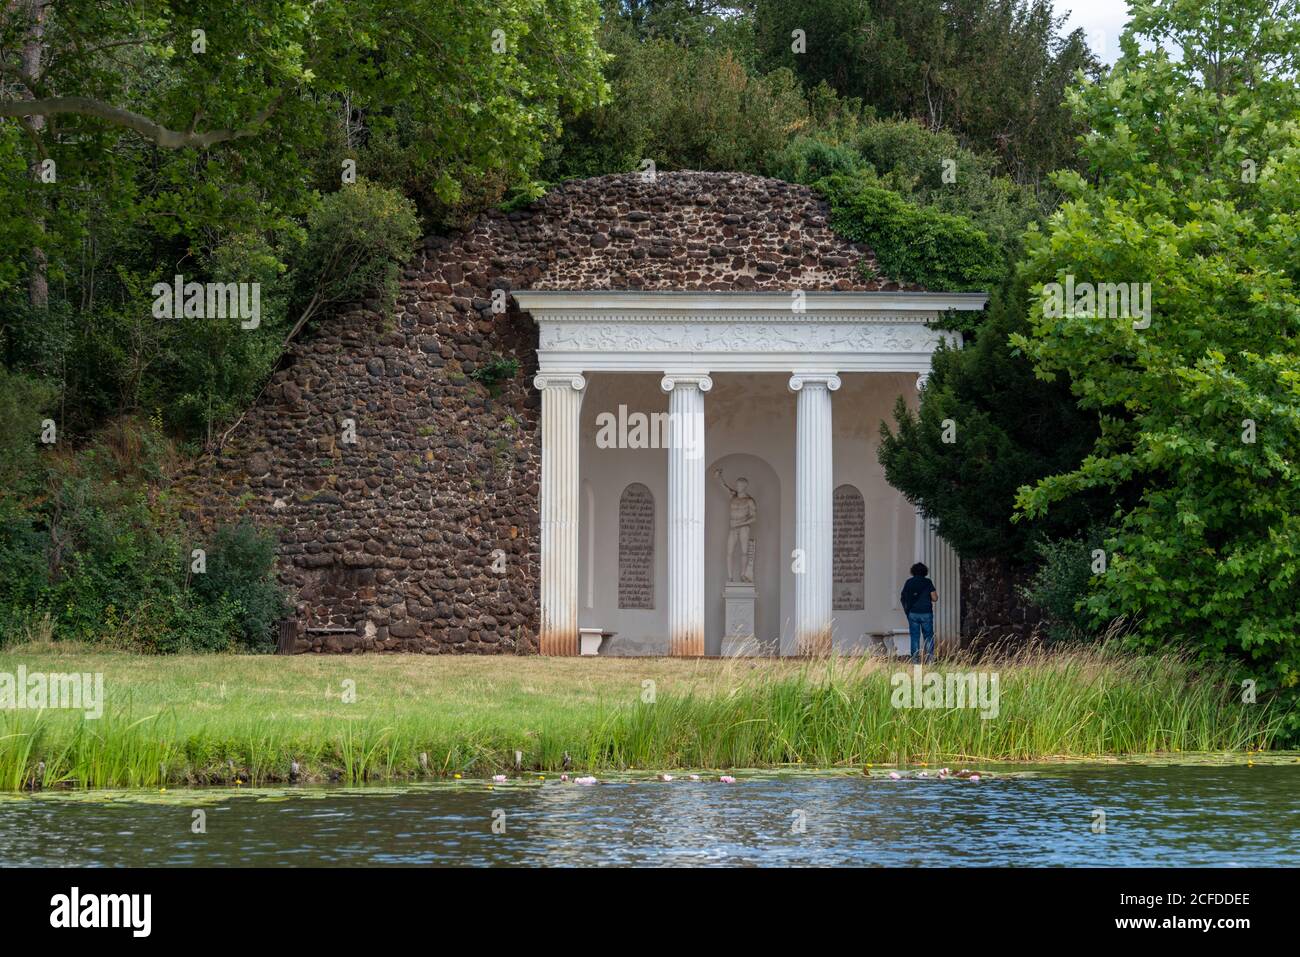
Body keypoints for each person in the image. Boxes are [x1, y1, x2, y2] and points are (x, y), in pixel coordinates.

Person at [900, 562, 938, 663]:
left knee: (915, 637)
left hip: (913, 613)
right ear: (925, 571)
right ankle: (930, 660)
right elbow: (934, 598)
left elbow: (903, 597)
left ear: (913, 571)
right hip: (926, 613)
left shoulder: (909, 582)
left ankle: (915, 661)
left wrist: (908, 610)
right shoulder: (927, 582)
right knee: (928, 636)